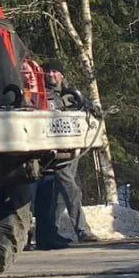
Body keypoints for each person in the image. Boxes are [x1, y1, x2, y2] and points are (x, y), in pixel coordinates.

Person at [34, 60, 100, 248]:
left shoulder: (68, 95)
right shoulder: (42, 95)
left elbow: (85, 108)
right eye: (48, 71)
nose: (50, 74)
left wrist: (89, 106)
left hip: (71, 150)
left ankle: (52, 231)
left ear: (62, 75)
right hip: (54, 153)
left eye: (55, 71)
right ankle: (82, 230)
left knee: (59, 195)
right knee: (71, 189)